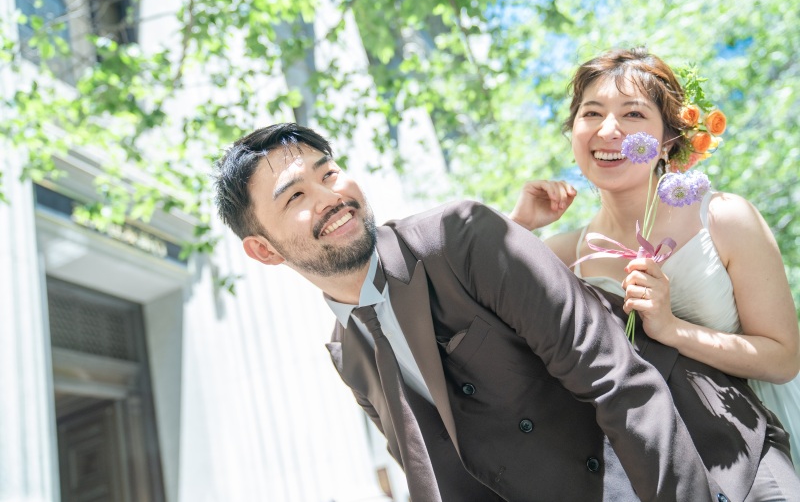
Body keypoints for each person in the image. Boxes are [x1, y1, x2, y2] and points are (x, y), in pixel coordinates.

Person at [213, 122, 785, 501]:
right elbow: (438, 472)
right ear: (263, 249)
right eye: (295, 195)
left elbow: (619, 380)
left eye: (328, 172)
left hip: (704, 461)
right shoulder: (348, 352)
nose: (330, 195)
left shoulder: (460, 235)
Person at [510, 47, 800, 490]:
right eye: (592, 113)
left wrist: (670, 328)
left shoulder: (724, 218)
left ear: (668, 139)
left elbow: (783, 359)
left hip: (753, 451)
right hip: (649, 470)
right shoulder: (564, 255)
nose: (608, 130)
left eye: (632, 114)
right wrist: (517, 228)